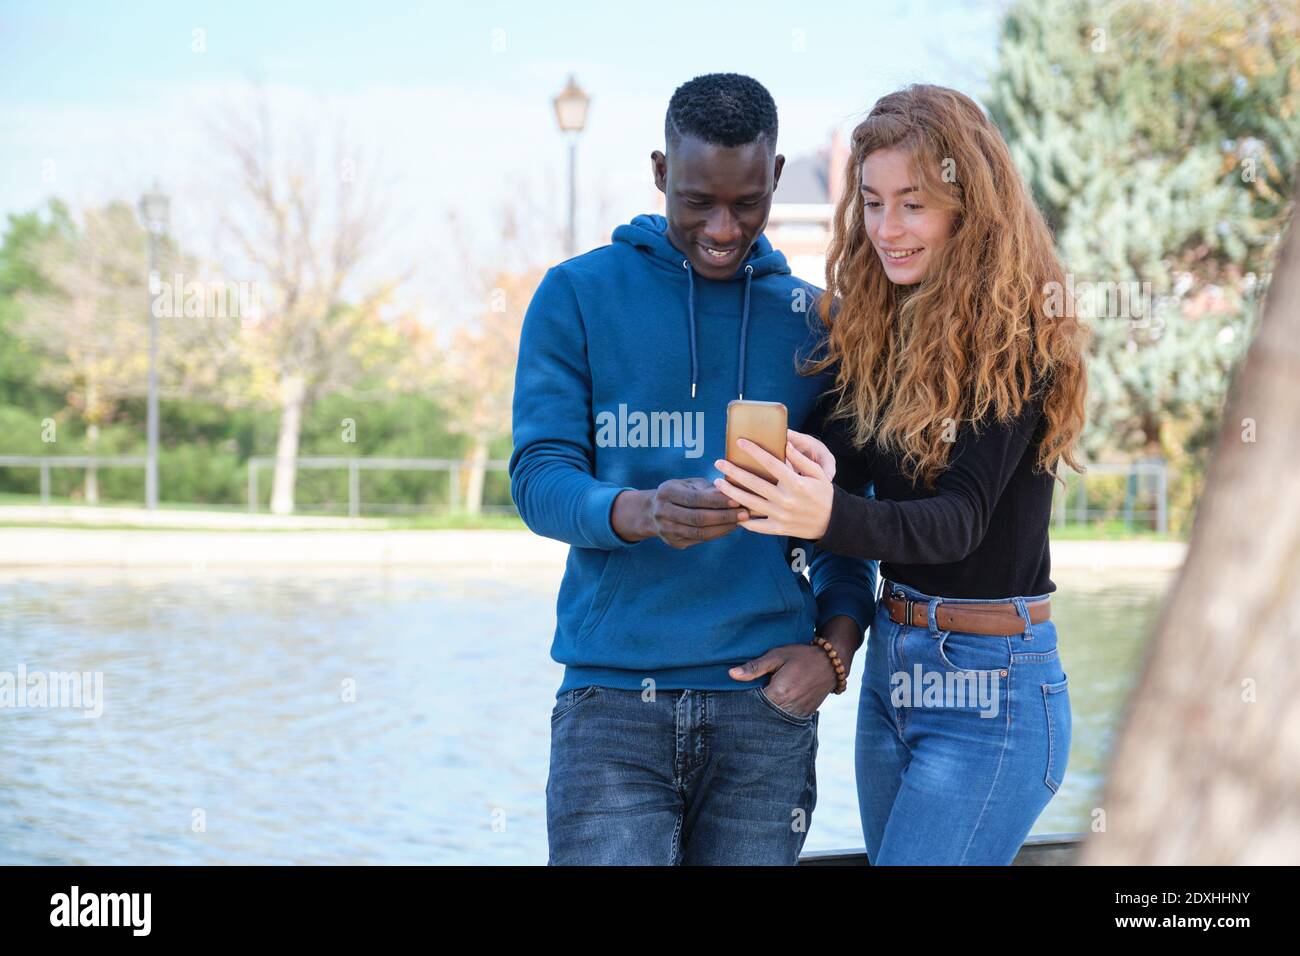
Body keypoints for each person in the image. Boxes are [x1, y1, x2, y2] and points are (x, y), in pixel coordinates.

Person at [712, 84, 1089, 865]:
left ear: (968, 207)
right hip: (894, 664)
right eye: (874, 203)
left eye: (913, 205)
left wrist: (825, 515)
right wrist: (804, 463)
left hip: (993, 689)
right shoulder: (886, 324)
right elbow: (840, 463)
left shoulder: (1017, 338)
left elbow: (956, 523)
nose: (887, 230)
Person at [509, 73, 877, 866]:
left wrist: (834, 654)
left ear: (776, 177)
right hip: (611, 707)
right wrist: (639, 511)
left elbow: (850, 519)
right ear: (658, 173)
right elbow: (539, 476)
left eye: (747, 203)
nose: (722, 227)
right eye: (697, 200)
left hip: (764, 712)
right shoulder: (574, 296)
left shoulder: (818, 325)